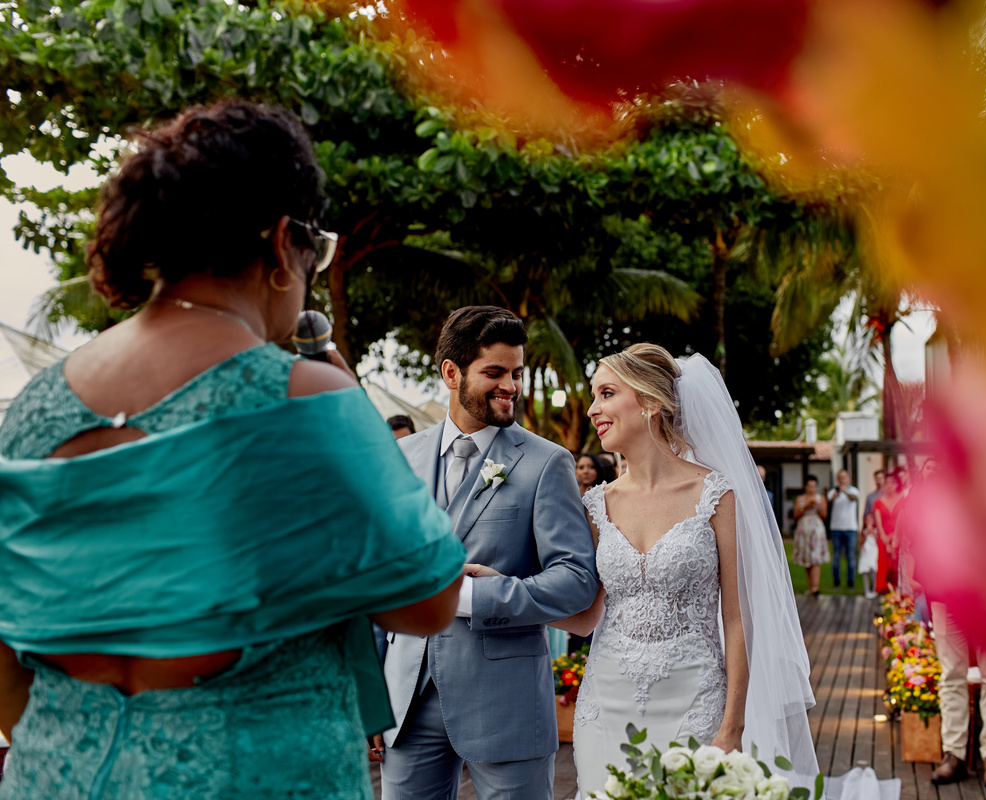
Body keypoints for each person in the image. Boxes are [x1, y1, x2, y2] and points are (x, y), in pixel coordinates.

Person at [0, 100, 465, 799]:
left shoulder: (33, 410)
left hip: (58, 773)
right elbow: (427, 601)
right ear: (284, 243)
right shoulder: (304, 399)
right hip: (253, 776)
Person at [556, 344, 818, 795]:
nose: (593, 408)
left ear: (650, 403)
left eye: (606, 393)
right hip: (605, 703)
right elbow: (587, 615)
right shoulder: (596, 505)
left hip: (695, 699)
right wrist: (509, 594)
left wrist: (732, 724)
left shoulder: (716, 495)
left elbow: (737, 619)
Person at [378, 306, 599, 800]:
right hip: (405, 704)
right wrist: (372, 697)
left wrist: (478, 598)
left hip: (505, 699)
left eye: (516, 373)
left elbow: (576, 579)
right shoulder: (400, 459)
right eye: (494, 373)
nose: (511, 386)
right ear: (451, 373)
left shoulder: (547, 463)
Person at [792, 476, 829, 596]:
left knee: (815, 557)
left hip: (816, 530)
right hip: (804, 530)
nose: (812, 489)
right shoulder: (800, 498)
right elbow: (796, 515)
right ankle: (810, 587)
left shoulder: (821, 498)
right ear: (806, 487)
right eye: (810, 486)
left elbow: (824, 515)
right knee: (807, 558)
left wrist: (818, 506)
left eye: (814, 486)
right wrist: (806, 505)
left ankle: (815, 587)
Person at [872, 471, 905, 595]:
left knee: (898, 563)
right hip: (884, 537)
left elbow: (903, 519)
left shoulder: (902, 499)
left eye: (893, 483)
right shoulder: (878, 502)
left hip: (899, 537)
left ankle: (898, 588)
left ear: (897, 484)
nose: (890, 486)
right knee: (884, 563)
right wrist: (884, 537)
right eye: (887, 483)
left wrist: (895, 535)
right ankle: (884, 590)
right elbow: (878, 522)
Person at [827, 469, 860, 589]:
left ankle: (850, 581)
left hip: (851, 528)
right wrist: (837, 494)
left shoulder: (854, 491)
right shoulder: (832, 492)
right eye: (840, 477)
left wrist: (844, 492)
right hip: (836, 528)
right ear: (837, 479)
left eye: (844, 477)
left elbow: (854, 498)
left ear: (848, 479)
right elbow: (829, 503)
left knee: (851, 555)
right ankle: (836, 581)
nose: (842, 479)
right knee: (836, 556)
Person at [858, 511, 880, 600]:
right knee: (865, 570)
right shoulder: (863, 531)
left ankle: (874, 588)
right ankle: (867, 590)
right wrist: (866, 533)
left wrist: (872, 532)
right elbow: (861, 542)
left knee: (873, 570)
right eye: (868, 520)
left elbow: (877, 540)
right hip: (865, 553)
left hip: (873, 552)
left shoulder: (876, 530)